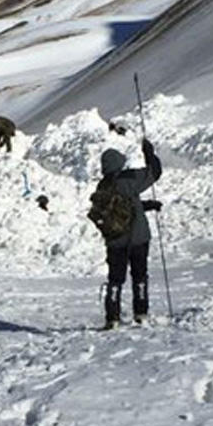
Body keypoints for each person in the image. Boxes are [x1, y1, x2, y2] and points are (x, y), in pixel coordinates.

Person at [88, 139, 163, 329]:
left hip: (114, 241)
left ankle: (112, 318)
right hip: (138, 238)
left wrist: (146, 205)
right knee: (139, 277)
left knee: (115, 280)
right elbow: (155, 172)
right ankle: (141, 314)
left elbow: (122, 208)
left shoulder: (102, 187)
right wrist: (149, 153)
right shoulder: (129, 179)